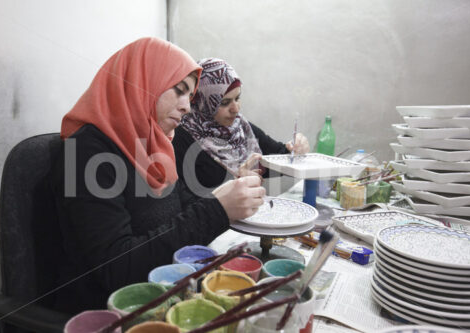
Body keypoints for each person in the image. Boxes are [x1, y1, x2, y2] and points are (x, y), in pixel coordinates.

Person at [50, 38, 265, 314]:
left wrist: (229, 196)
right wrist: (217, 210)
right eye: (179, 91)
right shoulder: (85, 153)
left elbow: (183, 207)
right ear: (143, 82)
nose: (187, 106)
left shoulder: (153, 143)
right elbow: (117, 269)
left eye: (190, 96)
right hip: (111, 313)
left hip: (163, 297)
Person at [172, 58, 309, 194]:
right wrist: (235, 184)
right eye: (225, 102)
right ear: (203, 102)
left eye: (237, 98)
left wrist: (296, 149)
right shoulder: (181, 138)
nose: (235, 109)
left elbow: (276, 157)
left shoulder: (239, 127)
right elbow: (184, 205)